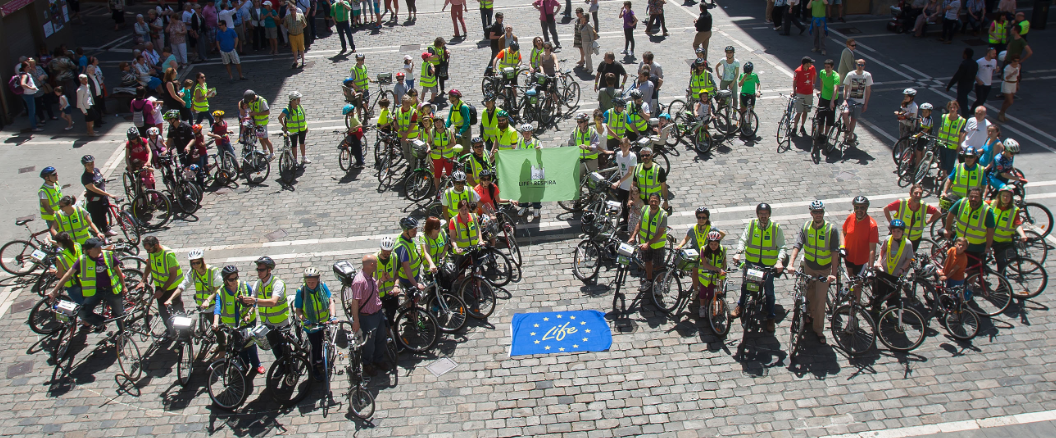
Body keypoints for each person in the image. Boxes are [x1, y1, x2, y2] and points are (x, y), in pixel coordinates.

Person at [787, 201, 839, 344]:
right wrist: (791, 264)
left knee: (820, 300)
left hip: (824, 269)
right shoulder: (805, 227)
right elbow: (797, 245)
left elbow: (835, 252)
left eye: (820, 212)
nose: (818, 214)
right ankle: (808, 316)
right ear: (811, 213)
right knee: (808, 294)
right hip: (808, 267)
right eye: (815, 212)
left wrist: (833, 273)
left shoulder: (831, 229)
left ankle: (818, 330)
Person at [731, 203, 787, 333]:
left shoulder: (775, 228)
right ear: (757, 214)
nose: (763, 216)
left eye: (765, 213)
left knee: (769, 292)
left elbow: (782, 247)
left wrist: (779, 261)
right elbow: (743, 240)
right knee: (746, 286)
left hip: (768, 266)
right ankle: (740, 306)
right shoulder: (751, 225)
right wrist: (738, 252)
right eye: (761, 214)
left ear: (769, 214)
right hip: (752, 263)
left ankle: (771, 317)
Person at [51, 238, 128, 330]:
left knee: (119, 313)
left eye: (99, 245)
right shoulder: (82, 260)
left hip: (111, 290)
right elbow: (68, 274)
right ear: (89, 250)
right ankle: (101, 323)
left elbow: (119, 272)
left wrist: (123, 286)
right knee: (83, 312)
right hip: (95, 292)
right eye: (96, 247)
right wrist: (54, 291)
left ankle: (122, 332)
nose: (100, 248)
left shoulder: (108, 256)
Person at [348, 253, 389, 376]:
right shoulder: (359, 281)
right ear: (372, 265)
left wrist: (381, 280)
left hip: (377, 314)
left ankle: (378, 359)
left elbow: (373, 289)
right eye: (376, 263)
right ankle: (366, 363)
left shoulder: (370, 277)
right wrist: (356, 321)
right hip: (367, 317)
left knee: (381, 338)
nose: (377, 265)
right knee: (369, 343)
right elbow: (355, 302)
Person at [173, 249, 222, 351]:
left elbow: (218, 289)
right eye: (192, 263)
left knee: (217, 328)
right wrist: (170, 298)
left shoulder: (212, 271)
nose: (195, 265)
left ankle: (222, 346)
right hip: (201, 304)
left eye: (197, 262)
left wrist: (208, 300)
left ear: (202, 261)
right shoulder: (192, 272)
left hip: (213, 304)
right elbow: (184, 285)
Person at [293, 267, 335, 380]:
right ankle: (314, 368)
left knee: (322, 341)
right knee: (314, 346)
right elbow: (298, 310)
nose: (311, 284)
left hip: (323, 322)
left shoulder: (323, 287)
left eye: (313, 282)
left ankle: (320, 359)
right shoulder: (301, 292)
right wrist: (304, 319)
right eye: (308, 282)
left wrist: (332, 316)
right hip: (311, 325)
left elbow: (331, 301)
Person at [142, 236, 185, 335]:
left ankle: (183, 332)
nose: (148, 252)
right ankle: (171, 330)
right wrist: (143, 280)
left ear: (156, 245)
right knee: (162, 311)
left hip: (172, 287)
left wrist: (162, 290)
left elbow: (173, 274)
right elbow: (149, 266)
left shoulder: (167, 254)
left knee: (178, 310)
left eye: (149, 249)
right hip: (160, 285)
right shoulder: (152, 253)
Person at [629, 193, 668, 294]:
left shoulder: (663, 215)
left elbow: (660, 233)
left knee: (658, 266)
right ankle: (649, 280)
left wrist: (648, 243)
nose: (653, 203)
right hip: (644, 243)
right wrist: (633, 236)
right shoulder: (644, 209)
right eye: (652, 201)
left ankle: (659, 283)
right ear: (649, 201)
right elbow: (639, 223)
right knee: (647, 262)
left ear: (659, 202)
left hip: (657, 245)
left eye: (656, 201)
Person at [871, 220, 914, 311]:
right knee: (879, 294)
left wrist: (902, 269)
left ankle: (889, 312)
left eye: (898, 231)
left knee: (893, 296)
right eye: (894, 231)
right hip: (884, 271)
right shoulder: (888, 239)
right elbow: (882, 251)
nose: (896, 233)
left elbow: (909, 259)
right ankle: (875, 310)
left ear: (902, 232)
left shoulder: (908, 244)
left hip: (896, 274)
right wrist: (879, 261)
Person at [884, 185, 942, 252]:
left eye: (920, 193)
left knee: (910, 258)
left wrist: (927, 222)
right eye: (916, 193)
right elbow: (886, 209)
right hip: (899, 237)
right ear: (910, 194)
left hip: (915, 239)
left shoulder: (924, 206)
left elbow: (938, 213)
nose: (918, 195)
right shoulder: (902, 203)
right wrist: (892, 224)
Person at [840, 196, 878, 277]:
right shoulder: (850, 217)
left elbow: (872, 249)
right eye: (857, 207)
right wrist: (842, 247)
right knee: (850, 277)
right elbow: (843, 233)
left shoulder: (872, 225)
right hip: (848, 256)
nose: (859, 210)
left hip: (861, 260)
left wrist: (870, 268)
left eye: (862, 207)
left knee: (857, 285)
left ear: (866, 208)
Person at [81, 155, 117, 237]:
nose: (91, 166)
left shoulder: (96, 170)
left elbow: (101, 180)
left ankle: (106, 230)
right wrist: (109, 194)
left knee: (104, 213)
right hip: (94, 201)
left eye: (92, 163)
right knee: (97, 218)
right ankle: (100, 235)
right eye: (89, 164)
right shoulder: (85, 177)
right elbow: (94, 189)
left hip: (103, 198)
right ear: (85, 166)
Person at [842, 59, 872, 145]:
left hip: (860, 101)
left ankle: (850, 135)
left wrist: (866, 104)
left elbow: (868, 90)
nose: (860, 67)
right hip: (850, 99)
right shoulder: (850, 74)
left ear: (864, 66)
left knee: (854, 119)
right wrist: (845, 100)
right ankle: (848, 129)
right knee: (845, 113)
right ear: (856, 65)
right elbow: (846, 88)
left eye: (862, 65)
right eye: (859, 65)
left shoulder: (867, 75)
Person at [610, 137, 637, 228]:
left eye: (626, 146)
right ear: (620, 146)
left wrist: (618, 181)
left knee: (627, 204)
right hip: (623, 184)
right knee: (621, 203)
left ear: (629, 146)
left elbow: (630, 173)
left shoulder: (632, 157)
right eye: (623, 146)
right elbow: (620, 169)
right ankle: (625, 220)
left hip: (629, 185)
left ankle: (629, 222)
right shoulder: (618, 155)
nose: (624, 148)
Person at [279, 91, 310, 165]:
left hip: (302, 129)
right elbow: (280, 118)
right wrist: (284, 126)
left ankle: (303, 157)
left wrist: (306, 127)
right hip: (293, 131)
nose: (299, 100)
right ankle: (295, 160)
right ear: (293, 100)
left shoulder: (300, 107)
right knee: (294, 145)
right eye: (298, 99)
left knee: (302, 143)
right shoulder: (287, 109)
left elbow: (303, 118)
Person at [936, 100, 967, 176]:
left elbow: (961, 134)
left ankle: (949, 178)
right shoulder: (944, 117)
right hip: (942, 143)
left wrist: (959, 146)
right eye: (950, 107)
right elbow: (940, 129)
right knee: (943, 161)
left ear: (957, 108)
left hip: (952, 145)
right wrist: (937, 139)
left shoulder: (961, 120)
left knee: (950, 163)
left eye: (954, 107)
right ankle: (943, 176)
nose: (952, 109)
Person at [242, 90, 275, 159]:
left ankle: (272, 154)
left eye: (249, 100)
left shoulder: (262, 101)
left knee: (265, 139)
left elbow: (267, 112)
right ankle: (265, 150)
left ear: (253, 98)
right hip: (256, 123)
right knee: (260, 138)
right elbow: (242, 103)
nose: (249, 102)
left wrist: (256, 113)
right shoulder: (250, 100)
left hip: (262, 123)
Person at [946, 48, 978, 117]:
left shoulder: (964, 64)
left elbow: (957, 76)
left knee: (963, 102)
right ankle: (951, 110)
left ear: (965, 55)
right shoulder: (975, 64)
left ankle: (966, 116)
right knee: (960, 99)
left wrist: (949, 86)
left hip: (963, 86)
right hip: (970, 85)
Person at [792, 57, 816, 137]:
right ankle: (794, 127)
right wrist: (794, 91)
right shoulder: (798, 71)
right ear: (806, 64)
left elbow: (815, 75)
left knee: (806, 111)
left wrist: (813, 84)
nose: (811, 64)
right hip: (800, 93)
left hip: (809, 93)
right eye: (810, 63)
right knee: (799, 111)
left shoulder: (812, 68)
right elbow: (794, 81)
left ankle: (802, 126)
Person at [285, 3, 308, 68]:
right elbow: (285, 25)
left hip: (300, 34)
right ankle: (295, 61)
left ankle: (303, 61)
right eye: (291, 10)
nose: (292, 11)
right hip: (292, 35)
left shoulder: (300, 16)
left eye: (293, 10)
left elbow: (304, 24)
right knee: (294, 49)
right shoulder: (287, 17)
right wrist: (291, 29)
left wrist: (299, 29)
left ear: (296, 9)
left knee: (301, 48)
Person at [576, 8, 598, 74]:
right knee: (586, 54)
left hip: (588, 42)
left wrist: (591, 42)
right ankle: (587, 66)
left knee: (588, 55)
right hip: (584, 41)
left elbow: (591, 33)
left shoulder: (588, 24)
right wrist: (581, 24)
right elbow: (579, 31)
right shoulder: (583, 24)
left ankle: (590, 68)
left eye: (583, 17)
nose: (581, 18)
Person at [998, 55, 1019, 122]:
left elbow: (1017, 77)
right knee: (1010, 101)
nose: (1016, 62)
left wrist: (1017, 84)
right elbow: (1006, 77)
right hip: (1007, 84)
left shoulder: (1018, 66)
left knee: (1007, 101)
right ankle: (1001, 113)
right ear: (1012, 61)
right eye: (1015, 61)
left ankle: (1002, 113)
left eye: (1018, 61)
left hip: (1013, 84)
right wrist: (1012, 73)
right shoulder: (1008, 68)